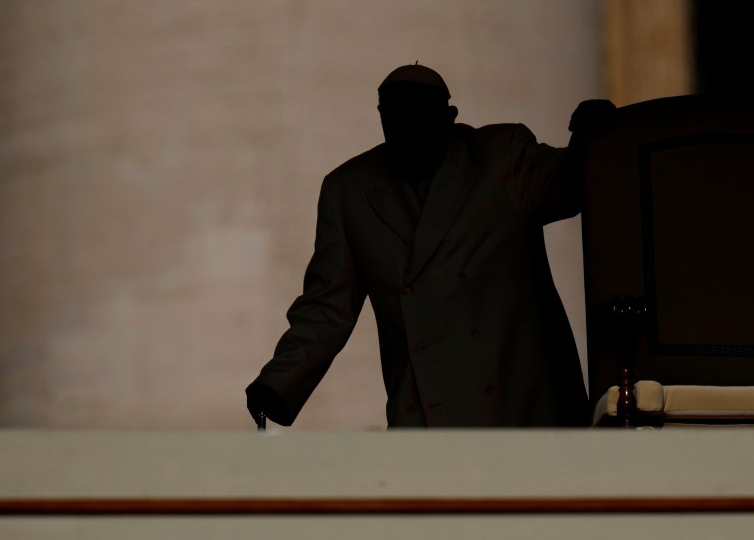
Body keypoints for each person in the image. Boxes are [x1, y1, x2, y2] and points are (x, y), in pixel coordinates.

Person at [246, 64, 616, 427]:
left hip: (520, 403)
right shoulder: (349, 191)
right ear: (381, 117)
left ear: (449, 116)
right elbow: (328, 306)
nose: (407, 127)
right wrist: (279, 383)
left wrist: (591, 139)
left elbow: (570, 187)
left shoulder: (503, 155)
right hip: (425, 414)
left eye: (419, 114)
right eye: (395, 116)